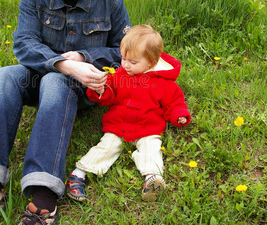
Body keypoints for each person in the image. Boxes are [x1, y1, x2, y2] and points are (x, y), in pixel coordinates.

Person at [0, 0, 131, 225]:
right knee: (7, 74)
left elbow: (124, 51)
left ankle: (43, 198)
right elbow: (24, 44)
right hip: (43, 77)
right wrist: (64, 64)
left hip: (85, 87)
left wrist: (82, 58)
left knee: (55, 82)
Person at [66, 25, 191, 203]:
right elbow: (109, 95)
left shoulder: (164, 83)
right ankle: (79, 174)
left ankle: (152, 178)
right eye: (123, 58)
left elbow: (175, 102)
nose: (125, 65)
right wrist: (100, 90)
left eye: (132, 62)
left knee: (151, 147)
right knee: (106, 147)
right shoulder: (119, 75)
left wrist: (179, 114)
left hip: (147, 127)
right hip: (118, 126)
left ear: (151, 62)